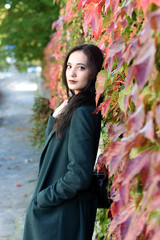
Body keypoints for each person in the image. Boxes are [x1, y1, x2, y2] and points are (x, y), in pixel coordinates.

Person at [23, 44, 104, 240]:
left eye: (81, 68)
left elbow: (78, 175)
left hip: (61, 216)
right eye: (69, 66)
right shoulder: (74, 107)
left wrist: (42, 199)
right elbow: (53, 149)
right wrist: (55, 117)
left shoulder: (83, 113)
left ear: (94, 73)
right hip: (56, 213)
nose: (72, 73)